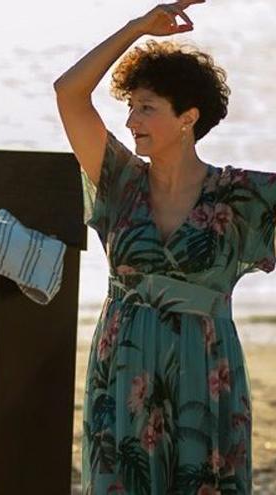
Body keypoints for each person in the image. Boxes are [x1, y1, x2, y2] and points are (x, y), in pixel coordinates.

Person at [54, 1, 276, 493]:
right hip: (124, 367)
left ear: (187, 118)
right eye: (130, 106)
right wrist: (137, 29)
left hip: (205, 369)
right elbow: (69, 94)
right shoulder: (119, 181)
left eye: (146, 107)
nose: (131, 120)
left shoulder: (242, 196)